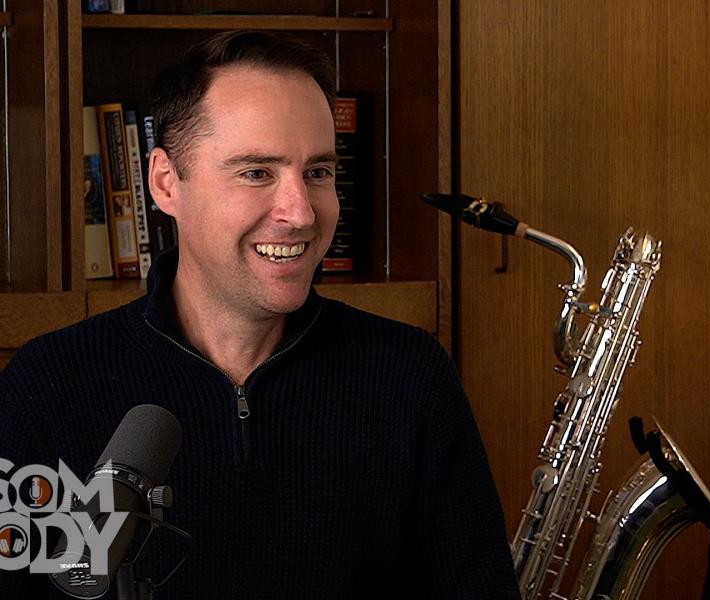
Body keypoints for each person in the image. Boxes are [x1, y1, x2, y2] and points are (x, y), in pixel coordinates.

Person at [0, 30, 519, 598]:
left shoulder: (412, 377)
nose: (300, 213)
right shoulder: (46, 384)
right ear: (165, 182)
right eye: (256, 172)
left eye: (318, 171)